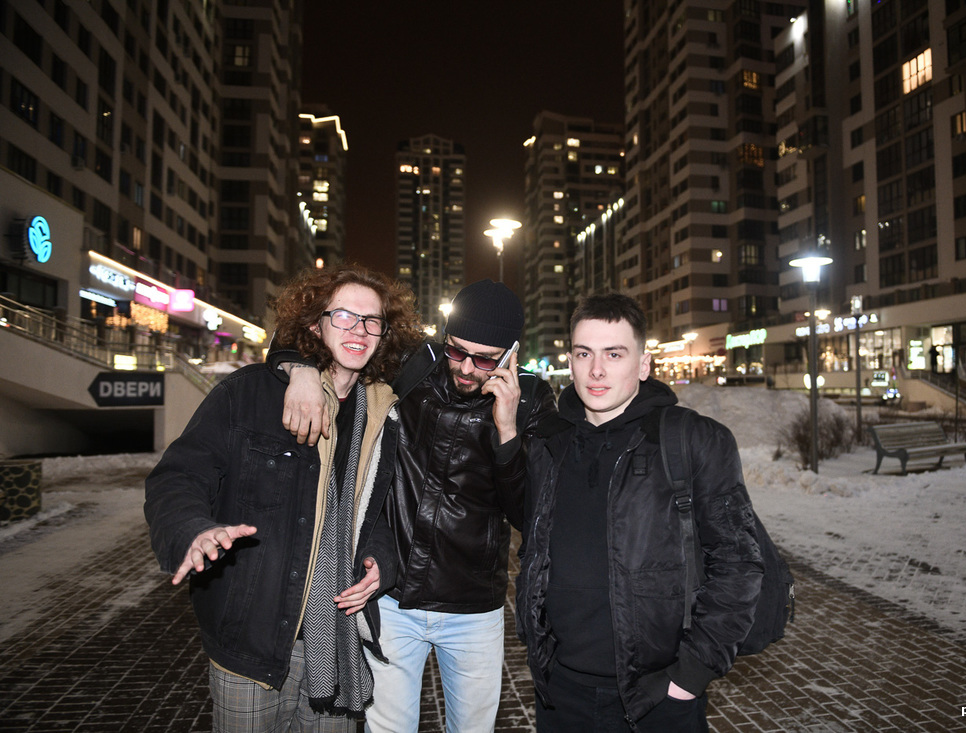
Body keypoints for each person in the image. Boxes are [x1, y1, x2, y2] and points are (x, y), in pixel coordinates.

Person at [145, 264, 422, 732]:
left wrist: (382, 561)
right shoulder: (250, 393)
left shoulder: (384, 415)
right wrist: (192, 530)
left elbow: (381, 512)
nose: (359, 330)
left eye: (372, 321)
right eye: (343, 316)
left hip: (338, 643)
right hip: (253, 642)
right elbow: (178, 477)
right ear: (314, 325)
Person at [278, 279, 557, 733]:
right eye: (456, 350)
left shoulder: (532, 400)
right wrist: (302, 371)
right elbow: (312, 336)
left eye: (485, 359)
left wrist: (507, 432)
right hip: (393, 599)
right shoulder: (412, 365)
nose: (466, 368)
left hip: (474, 608)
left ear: (512, 354)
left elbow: (527, 514)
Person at [515, 293, 765, 732]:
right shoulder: (549, 445)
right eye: (584, 354)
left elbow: (738, 564)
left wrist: (689, 676)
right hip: (561, 693)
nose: (596, 370)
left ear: (643, 364)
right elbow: (530, 545)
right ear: (570, 362)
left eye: (614, 354)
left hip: (657, 697)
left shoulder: (693, 440)